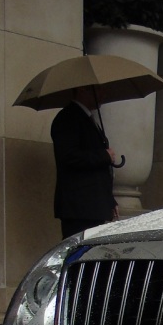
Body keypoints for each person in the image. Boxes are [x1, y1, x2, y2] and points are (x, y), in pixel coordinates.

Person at [52, 87, 117, 239]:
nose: (103, 94)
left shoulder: (87, 118)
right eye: (98, 90)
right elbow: (69, 157)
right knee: (80, 255)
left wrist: (109, 200)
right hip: (80, 207)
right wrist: (104, 156)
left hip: (92, 205)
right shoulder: (68, 118)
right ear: (82, 90)